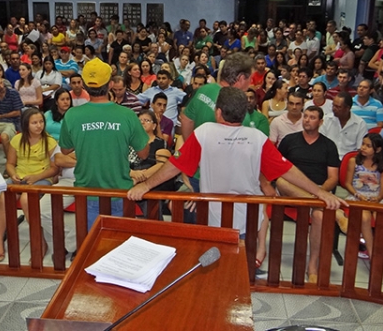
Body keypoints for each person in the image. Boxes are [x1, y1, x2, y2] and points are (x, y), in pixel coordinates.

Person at [128, 88, 346, 259]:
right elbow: (287, 170)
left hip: (215, 218)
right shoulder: (257, 137)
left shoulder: (204, 133)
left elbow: (174, 165)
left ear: (219, 112)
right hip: (248, 219)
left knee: (219, 266)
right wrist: (320, 192)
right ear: (243, 113)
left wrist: (146, 185)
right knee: (242, 268)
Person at [40, 59, 149, 252]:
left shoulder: (72, 116)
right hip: (119, 192)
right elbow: (144, 152)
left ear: (84, 85)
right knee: (120, 250)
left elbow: (65, 149)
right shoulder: (127, 115)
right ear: (110, 84)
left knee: (92, 249)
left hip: (86, 192)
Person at [277, 105, 340, 282]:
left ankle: (312, 265)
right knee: (282, 181)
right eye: (306, 116)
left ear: (320, 122)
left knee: (319, 217)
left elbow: (333, 178)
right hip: (292, 192)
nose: (307, 120)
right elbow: (278, 169)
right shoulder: (289, 140)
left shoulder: (329, 145)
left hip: (319, 190)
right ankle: (326, 206)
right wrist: (320, 197)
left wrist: (321, 193)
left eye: (312, 117)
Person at [0, 108, 59, 262]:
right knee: (3, 198)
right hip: (20, 177)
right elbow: (10, 164)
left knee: (26, 199)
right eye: (34, 123)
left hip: (41, 177)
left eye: (41, 122)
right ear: (26, 124)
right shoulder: (17, 139)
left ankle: (39, 241)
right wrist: (13, 174)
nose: (39, 126)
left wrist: (37, 177)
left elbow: (55, 169)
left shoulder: (49, 141)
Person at [335, 133, 383, 258]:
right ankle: (372, 253)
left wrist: (378, 198)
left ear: (378, 149)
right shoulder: (353, 161)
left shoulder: (382, 165)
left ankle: (379, 249)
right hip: (357, 197)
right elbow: (347, 183)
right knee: (365, 218)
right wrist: (358, 195)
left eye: (368, 146)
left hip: (376, 198)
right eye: (363, 144)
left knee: (382, 219)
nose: (363, 147)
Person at [0, 75, 23, 160]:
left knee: (4, 136)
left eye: (1, 83)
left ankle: (10, 162)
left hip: (11, 122)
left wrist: (0, 116)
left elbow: (18, 112)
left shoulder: (13, 93)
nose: (1, 86)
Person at [321, 92, 369, 159]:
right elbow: (321, 143)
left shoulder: (360, 124)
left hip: (350, 160)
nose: (334, 109)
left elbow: (360, 149)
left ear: (347, 108)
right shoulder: (326, 120)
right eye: (333, 105)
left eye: (338, 107)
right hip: (328, 158)